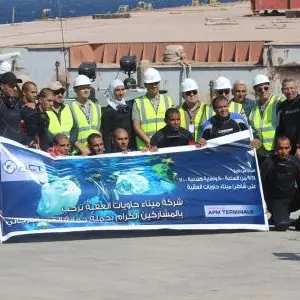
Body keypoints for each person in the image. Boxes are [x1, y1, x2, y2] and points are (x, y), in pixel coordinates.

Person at [260, 136, 300, 231]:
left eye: (286, 148)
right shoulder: (268, 163)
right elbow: (260, 185)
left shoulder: (295, 161)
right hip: (276, 200)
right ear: (276, 148)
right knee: (282, 226)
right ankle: (277, 217)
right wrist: (264, 204)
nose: (283, 151)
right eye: (280, 148)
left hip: (292, 198)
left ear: (290, 148)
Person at [132, 67, 173, 150]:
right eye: (151, 83)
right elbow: (136, 127)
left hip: (165, 145)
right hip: (146, 147)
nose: (154, 86)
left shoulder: (168, 100)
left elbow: (172, 123)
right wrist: (150, 142)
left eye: (156, 83)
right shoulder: (138, 102)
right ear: (145, 85)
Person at [248, 74, 283, 165]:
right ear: (255, 91)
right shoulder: (254, 107)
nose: (263, 91)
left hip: (277, 150)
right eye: (259, 89)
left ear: (270, 87)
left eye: (265, 88)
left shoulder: (278, 102)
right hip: (261, 152)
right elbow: (252, 127)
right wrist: (255, 138)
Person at [69, 75, 102, 155]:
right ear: (75, 90)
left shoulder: (97, 107)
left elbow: (100, 129)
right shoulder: (70, 107)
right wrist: (79, 146)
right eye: (82, 88)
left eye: (88, 88)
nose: (86, 90)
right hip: (78, 151)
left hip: (95, 151)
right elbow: (68, 132)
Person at [101, 79, 135, 153]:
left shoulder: (129, 106)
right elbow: (106, 135)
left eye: (122, 89)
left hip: (130, 147)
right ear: (112, 91)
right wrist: (108, 153)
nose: (121, 93)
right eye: (117, 90)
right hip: (115, 149)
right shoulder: (108, 111)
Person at [0, 72, 29, 144]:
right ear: (2, 86)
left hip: (16, 147)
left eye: (15, 85)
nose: (15, 88)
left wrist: (30, 142)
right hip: (3, 150)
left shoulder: (16, 103)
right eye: (11, 86)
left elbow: (20, 129)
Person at [276, 78, 300, 156]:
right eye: (286, 89)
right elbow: (280, 127)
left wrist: (299, 147)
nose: (289, 92)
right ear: (282, 90)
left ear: (296, 88)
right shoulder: (282, 106)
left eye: (292, 88)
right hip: (287, 149)